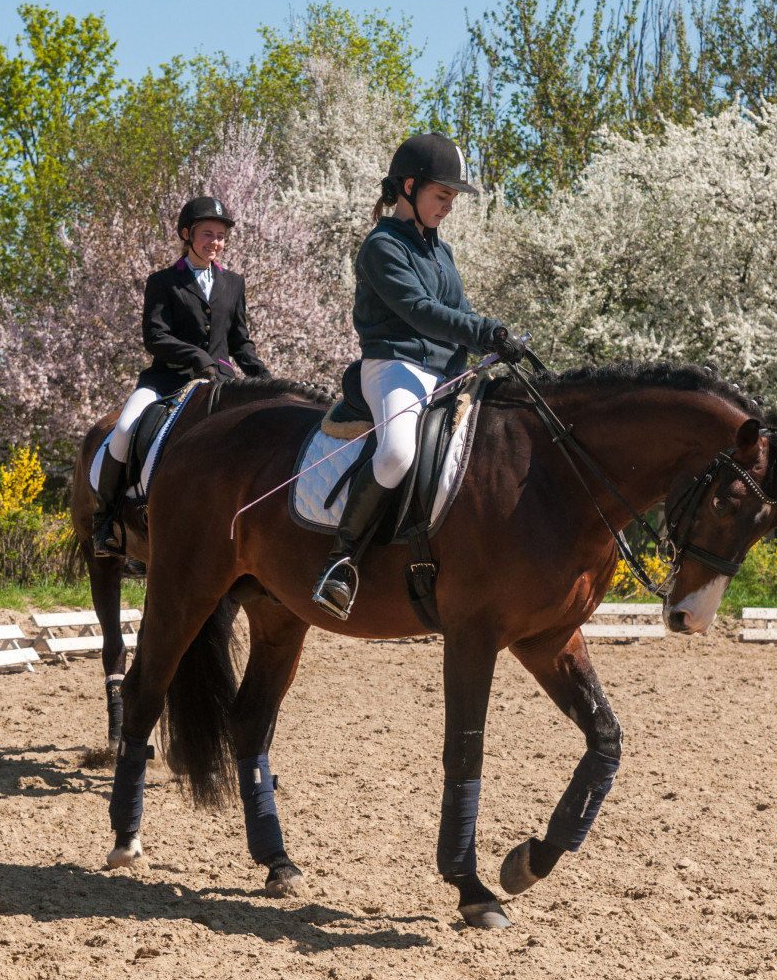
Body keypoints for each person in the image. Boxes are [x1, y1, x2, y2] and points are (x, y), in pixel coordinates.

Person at [310, 133, 526, 619]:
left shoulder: (440, 252)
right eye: (442, 195)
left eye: (452, 198)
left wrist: (491, 339)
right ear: (410, 186)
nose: (448, 207)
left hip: (445, 373)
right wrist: (487, 331)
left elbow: (460, 311)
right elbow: (420, 312)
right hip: (393, 365)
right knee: (397, 451)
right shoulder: (382, 246)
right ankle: (341, 560)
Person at [93, 195, 270, 556]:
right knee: (125, 428)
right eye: (208, 234)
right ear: (187, 234)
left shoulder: (233, 283)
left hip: (218, 384)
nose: (215, 243)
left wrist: (263, 377)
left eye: (221, 236)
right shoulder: (162, 282)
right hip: (166, 380)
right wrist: (197, 357)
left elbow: (240, 340)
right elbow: (155, 336)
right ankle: (105, 518)